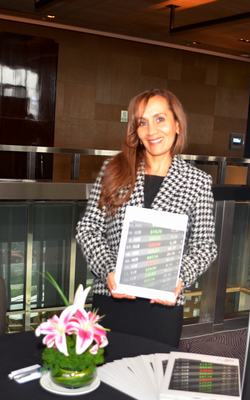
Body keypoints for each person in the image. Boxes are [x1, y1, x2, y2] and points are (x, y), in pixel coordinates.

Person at [76, 89, 217, 346]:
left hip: (163, 305)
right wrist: (108, 269)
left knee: (156, 368)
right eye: (143, 122)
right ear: (135, 130)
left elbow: (205, 246)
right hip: (113, 297)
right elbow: (89, 229)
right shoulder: (114, 169)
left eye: (160, 119)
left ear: (177, 124)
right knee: (107, 367)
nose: (152, 131)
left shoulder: (197, 181)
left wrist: (180, 277)